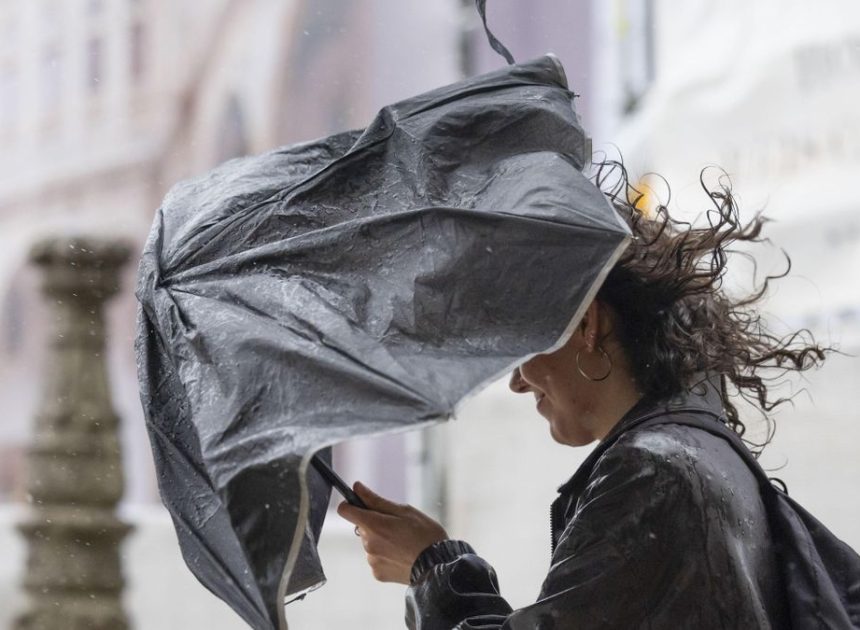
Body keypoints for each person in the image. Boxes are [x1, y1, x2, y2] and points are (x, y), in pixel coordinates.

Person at [337, 164, 830, 629]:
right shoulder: (694, 452)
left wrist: (433, 570)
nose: (517, 381)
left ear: (588, 326)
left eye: (524, 348)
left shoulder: (655, 473)